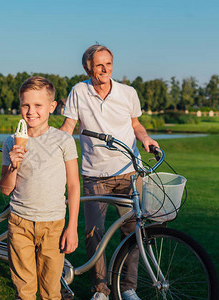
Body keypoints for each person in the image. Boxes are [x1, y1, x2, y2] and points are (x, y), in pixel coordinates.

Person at [60, 45, 159, 300]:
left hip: (129, 172)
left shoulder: (128, 93)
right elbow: (69, 126)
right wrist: (53, 149)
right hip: (94, 174)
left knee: (133, 231)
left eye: (109, 64)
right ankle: (101, 290)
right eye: (99, 65)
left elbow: (135, 124)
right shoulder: (79, 92)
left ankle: (127, 288)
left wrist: (146, 138)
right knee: (94, 233)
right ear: (88, 68)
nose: (105, 69)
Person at [0, 76, 80, 300]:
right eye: (25, 105)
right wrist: (14, 165)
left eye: (38, 105)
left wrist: (72, 226)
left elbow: (74, 185)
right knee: (24, 290)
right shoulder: (11, 142)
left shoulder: (63, 140)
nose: (31, 111)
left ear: (52, 107)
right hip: (20, 223)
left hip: (53, 225)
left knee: (50, 291)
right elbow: (5, 189)